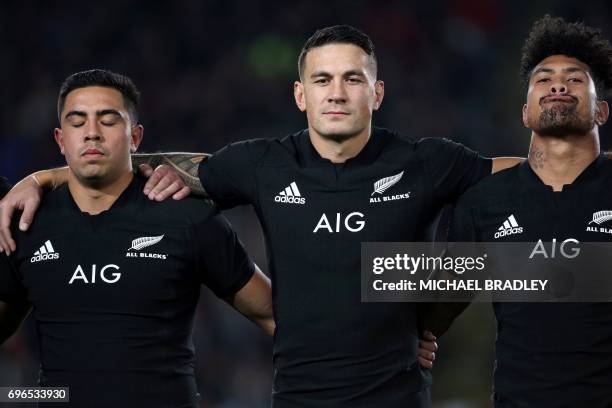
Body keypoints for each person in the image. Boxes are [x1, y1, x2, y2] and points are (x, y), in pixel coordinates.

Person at [0, 26, 516, 407]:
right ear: (301, 95)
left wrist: (428, 311)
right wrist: (43, 177)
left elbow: (526, 177)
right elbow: (111, 164)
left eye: (352, 79)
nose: (336, 92)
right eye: (322, 79)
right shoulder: (262, 164)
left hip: (399, 398)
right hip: (296, 398)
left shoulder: (427, 161)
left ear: (376, 93)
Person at [0, 69, 274, 407]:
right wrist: (19, 397)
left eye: (108, 120)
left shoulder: (187, 216)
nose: (91, 133)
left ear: (135, 136)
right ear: (60, 139)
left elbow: (274, 317)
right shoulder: (28, 222)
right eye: (77, 121)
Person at [436, 15, 612, 407]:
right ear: (525, 113)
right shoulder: (486, 201)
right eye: (543, 78)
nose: (558, 84)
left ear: (600, 112)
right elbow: (437, 306)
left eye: (576, 78)